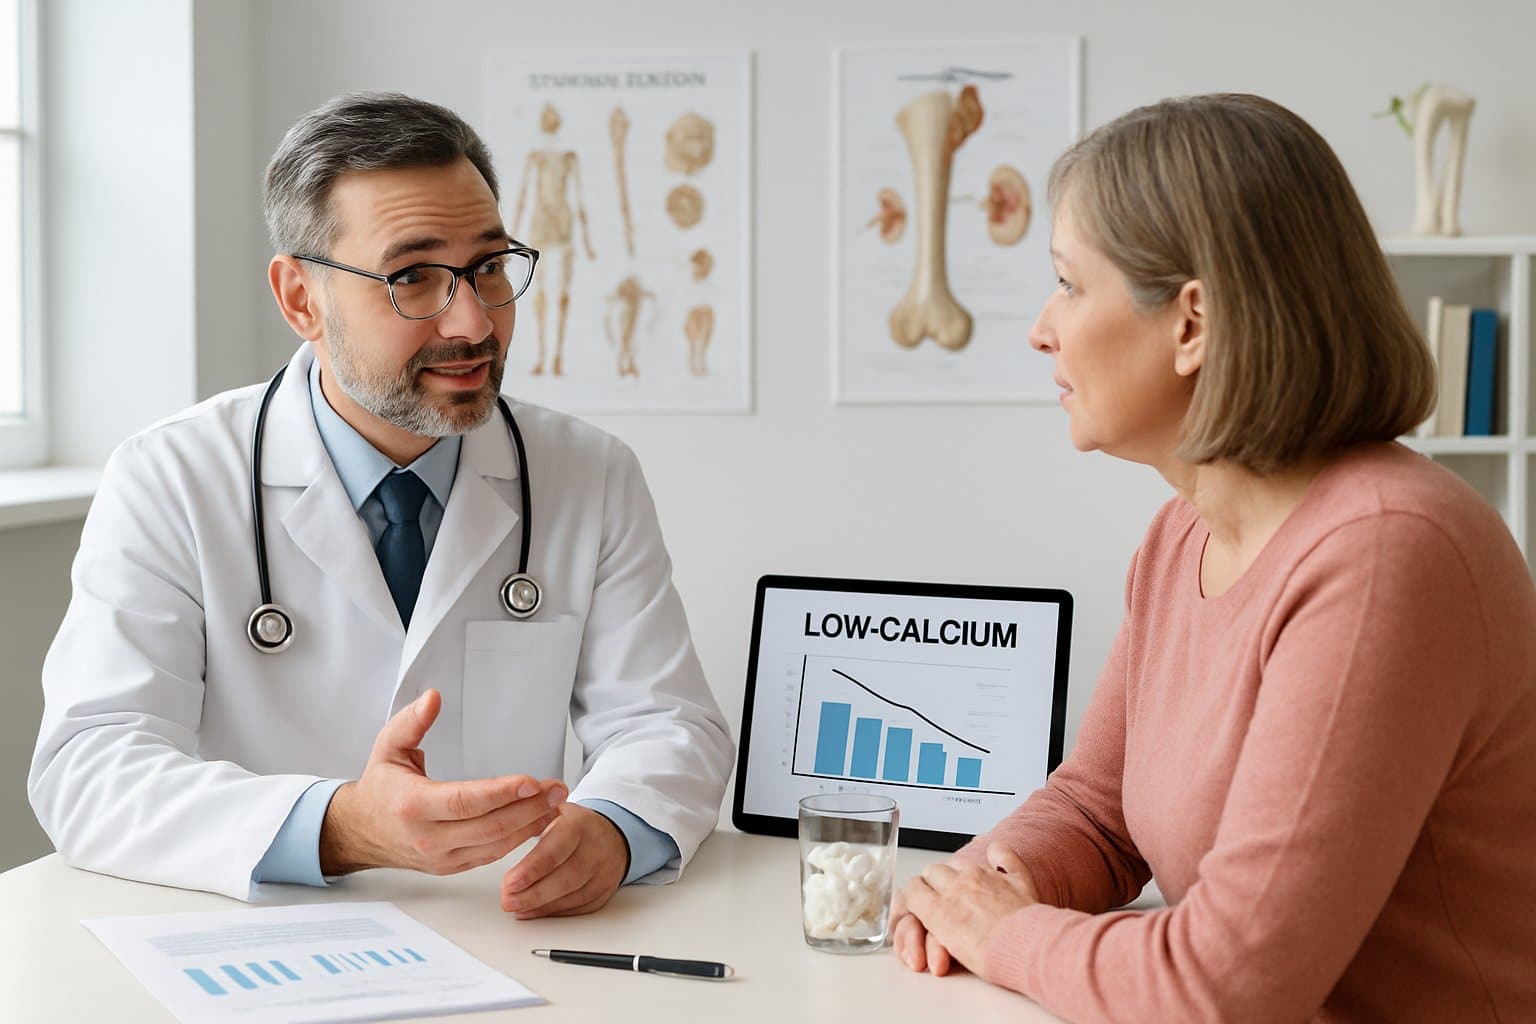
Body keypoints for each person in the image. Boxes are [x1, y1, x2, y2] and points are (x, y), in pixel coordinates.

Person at [892, 93, 1536, 1022]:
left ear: (1191, 323)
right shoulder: (1184, 533)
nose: (1042, 328)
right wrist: (985, 883)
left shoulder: (1391, 554)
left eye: (1069, 284)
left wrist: (1005, 935)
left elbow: (1227, 986)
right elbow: (1098, 810)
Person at [27, 92, 734, 914]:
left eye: (489, 267)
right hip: (251, 937)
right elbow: (90, 765)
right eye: (414, 277)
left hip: (510, 928)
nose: (472, 321)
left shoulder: (586, 473)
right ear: (300, 299)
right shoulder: (172, 478)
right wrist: (338, 827)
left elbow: (670, 725)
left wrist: (615, 828)